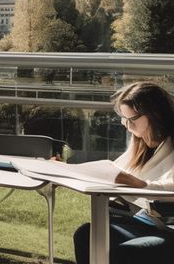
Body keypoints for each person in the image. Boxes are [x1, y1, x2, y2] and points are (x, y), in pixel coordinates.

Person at [73, 82, 174, 263]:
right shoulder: (140, 143)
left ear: (154, 115)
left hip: (166, 228)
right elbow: (115, 171)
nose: (127, 126)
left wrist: (143, 186)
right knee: (85, 234)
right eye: (123, 118)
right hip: (139, 221)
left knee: (128, 252)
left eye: (132, 119)